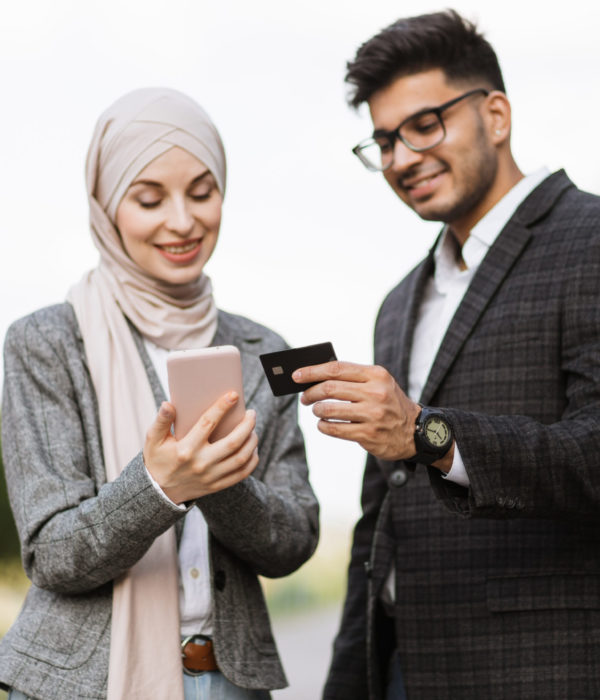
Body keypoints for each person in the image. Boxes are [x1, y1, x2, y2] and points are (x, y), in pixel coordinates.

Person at [294, 10, 600, 700]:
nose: (401, 158)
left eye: (424, 125)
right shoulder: (399, 302)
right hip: (404, 668)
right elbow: (380, 523)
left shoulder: (591, 240)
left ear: (495, 115)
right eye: (383, 140)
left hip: (539, 670)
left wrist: (425, 433)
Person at [0, 87, 319, 700]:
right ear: (106, 207)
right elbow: (52, 553)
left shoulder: (262, 351)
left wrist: (222, 484)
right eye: (149, 198)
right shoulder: (46, 342)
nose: (183, 220)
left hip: (229, 681)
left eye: (203, 192)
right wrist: (161, 487)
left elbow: (294, 540)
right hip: (78, 686)